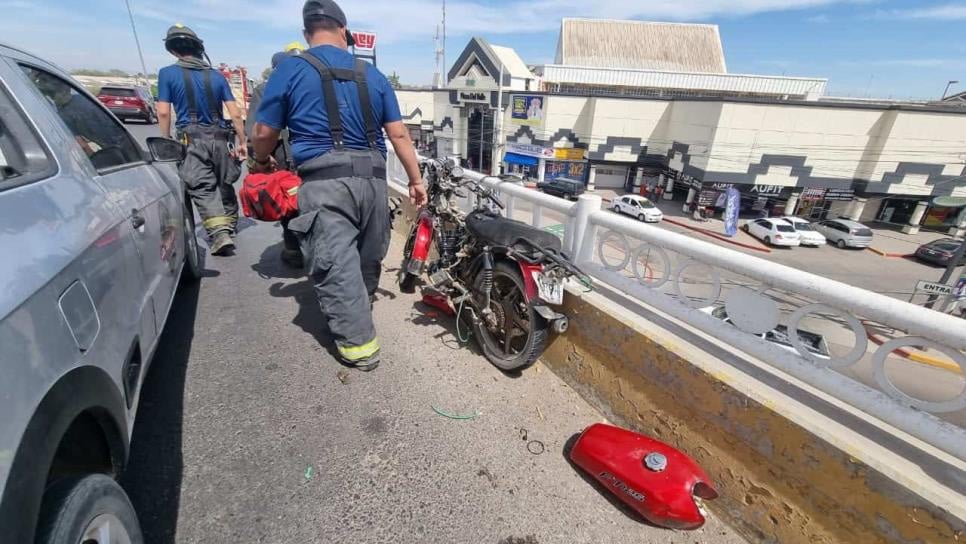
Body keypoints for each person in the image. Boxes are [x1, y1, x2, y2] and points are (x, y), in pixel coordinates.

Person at [251, 0, 426, 372]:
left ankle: (359, 346)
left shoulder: (291, 69)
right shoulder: (373, 75)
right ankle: (358, 308)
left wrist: (261, 161)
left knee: (335, 260)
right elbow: (399, 134)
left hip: (323, 181)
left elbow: (264, 132)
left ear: (306, 33)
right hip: (374, 182)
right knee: (367, 252)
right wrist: (415, 180)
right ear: (344, 31)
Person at [157, 24, 248, 256]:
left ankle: (220, 234)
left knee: (203, 187)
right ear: (198, 48)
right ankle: (230, 226)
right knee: (224, 182)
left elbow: (164, 112)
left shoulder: (167, 74)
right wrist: (242, 141)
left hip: (192, 141)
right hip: (221, 139)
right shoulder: (216, 76)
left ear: (173, 50)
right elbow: (235, 113)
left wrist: (165, 140)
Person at [247, 49, 302, 267]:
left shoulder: (265, 88)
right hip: (309, 153)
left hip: (280, 155)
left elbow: (258, 130)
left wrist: (259, 159)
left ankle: (293, 249)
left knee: (287, 201)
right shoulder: (310, 83)